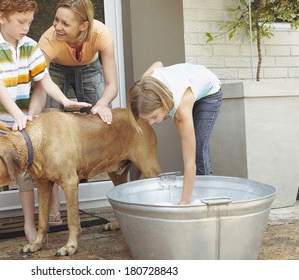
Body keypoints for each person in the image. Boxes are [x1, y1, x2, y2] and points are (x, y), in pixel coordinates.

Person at [0, 0, 91, 253]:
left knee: (28, 179)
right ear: (2, 17)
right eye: (21, 22)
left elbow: (44, 80)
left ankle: (30, 227)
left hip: (22, 125)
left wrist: (64, 100)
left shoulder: (30, 47)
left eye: (29, 22)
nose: (26, 27)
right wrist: (19, 115)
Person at [37, 0, 118, 224]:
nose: (57, 26)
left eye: (65, 23)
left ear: (83, 26)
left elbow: (113, 84)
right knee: (49, 136)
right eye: (56, 20)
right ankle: (54, 205)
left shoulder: (101, 33)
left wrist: (101, 104)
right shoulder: (48, 40)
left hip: (90, 68)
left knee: (107, 127)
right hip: (56, 70)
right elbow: (39, 82)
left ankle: (120, 198)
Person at [127, 61, 222, 205]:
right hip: (187, 84)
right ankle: (193, 193)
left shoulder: (181, 112)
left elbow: (189, 162)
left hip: (209, 92)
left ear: (164, 103)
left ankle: (204, 198)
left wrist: (184, 202)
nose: (151, 123)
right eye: (146, 120)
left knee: (198, 148)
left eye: (154, 117)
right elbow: (158, 63)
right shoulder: (146, 82)